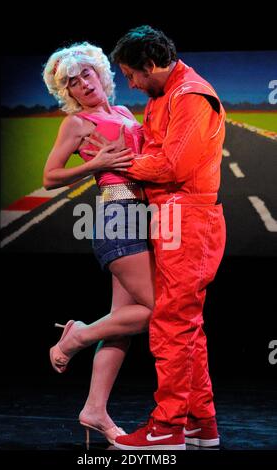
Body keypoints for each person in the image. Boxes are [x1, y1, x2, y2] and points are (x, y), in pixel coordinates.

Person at [88, 25, 226, 450]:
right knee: (187, 327)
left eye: (131, 74)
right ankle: (201, 424)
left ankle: (167, 429)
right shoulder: (162, 97)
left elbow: (170, 167)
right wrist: (136, 158)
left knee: (172, 325)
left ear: (151, 65)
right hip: (170, 216)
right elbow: (154, 154)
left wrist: (116, 162)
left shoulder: (191, 96)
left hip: (189, 217)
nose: (129, 83)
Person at [42, 42, 155, 445]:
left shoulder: (124, 113)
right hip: (116, 216)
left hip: (143, 218)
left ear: (100, 74)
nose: (83, 84)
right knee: (159, 311)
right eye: (72, 83)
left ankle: (94, 409)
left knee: (121, 325)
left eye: (86, 74)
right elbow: (51, 176)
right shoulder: (76, 124)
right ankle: (77, 335)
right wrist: (96, 164)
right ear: (68, 93)